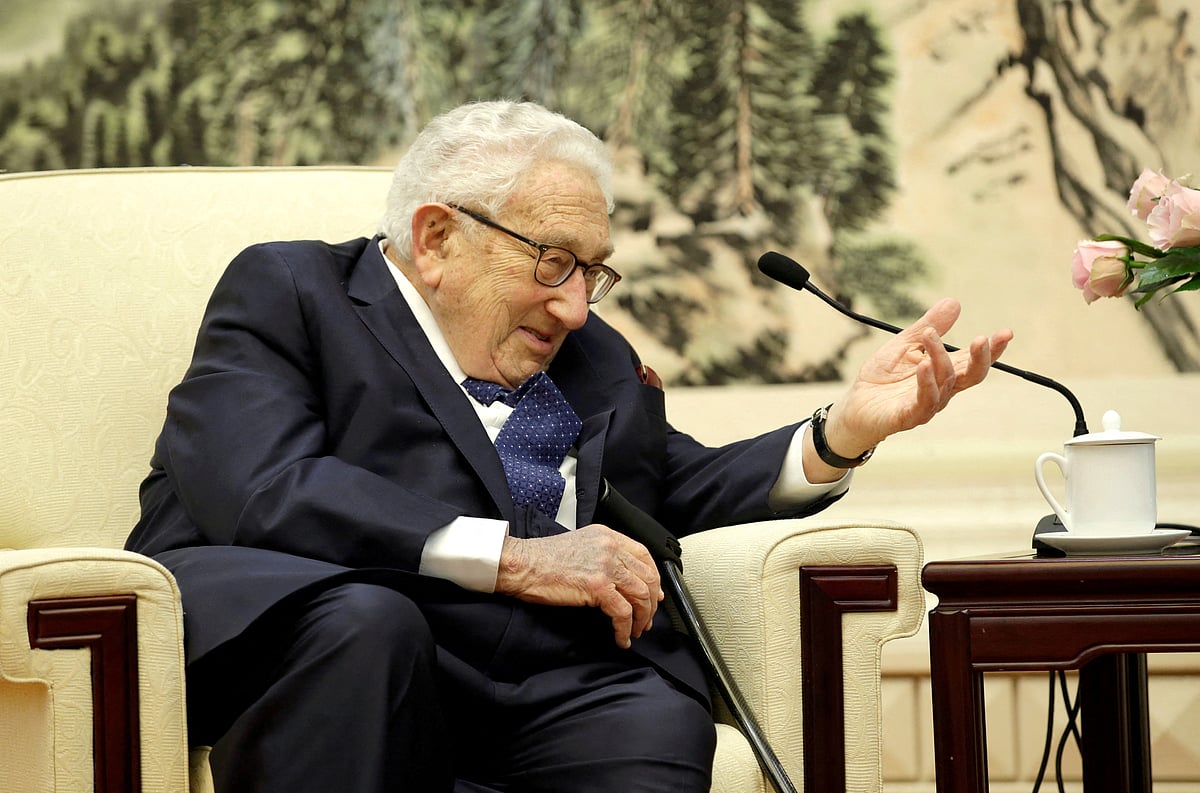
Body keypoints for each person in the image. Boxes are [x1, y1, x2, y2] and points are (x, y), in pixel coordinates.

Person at [126, 100, 1012, 793]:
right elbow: (263, 487)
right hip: (324, 635)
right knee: (370, 625)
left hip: (537, 676)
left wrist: (840, 433)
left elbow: (673, 487)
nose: (577, 306)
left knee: (648, 706)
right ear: (437, 239)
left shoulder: (593, 356)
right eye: (555, 262)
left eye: (594, 270)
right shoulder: (293, 291)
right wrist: (518, 559)